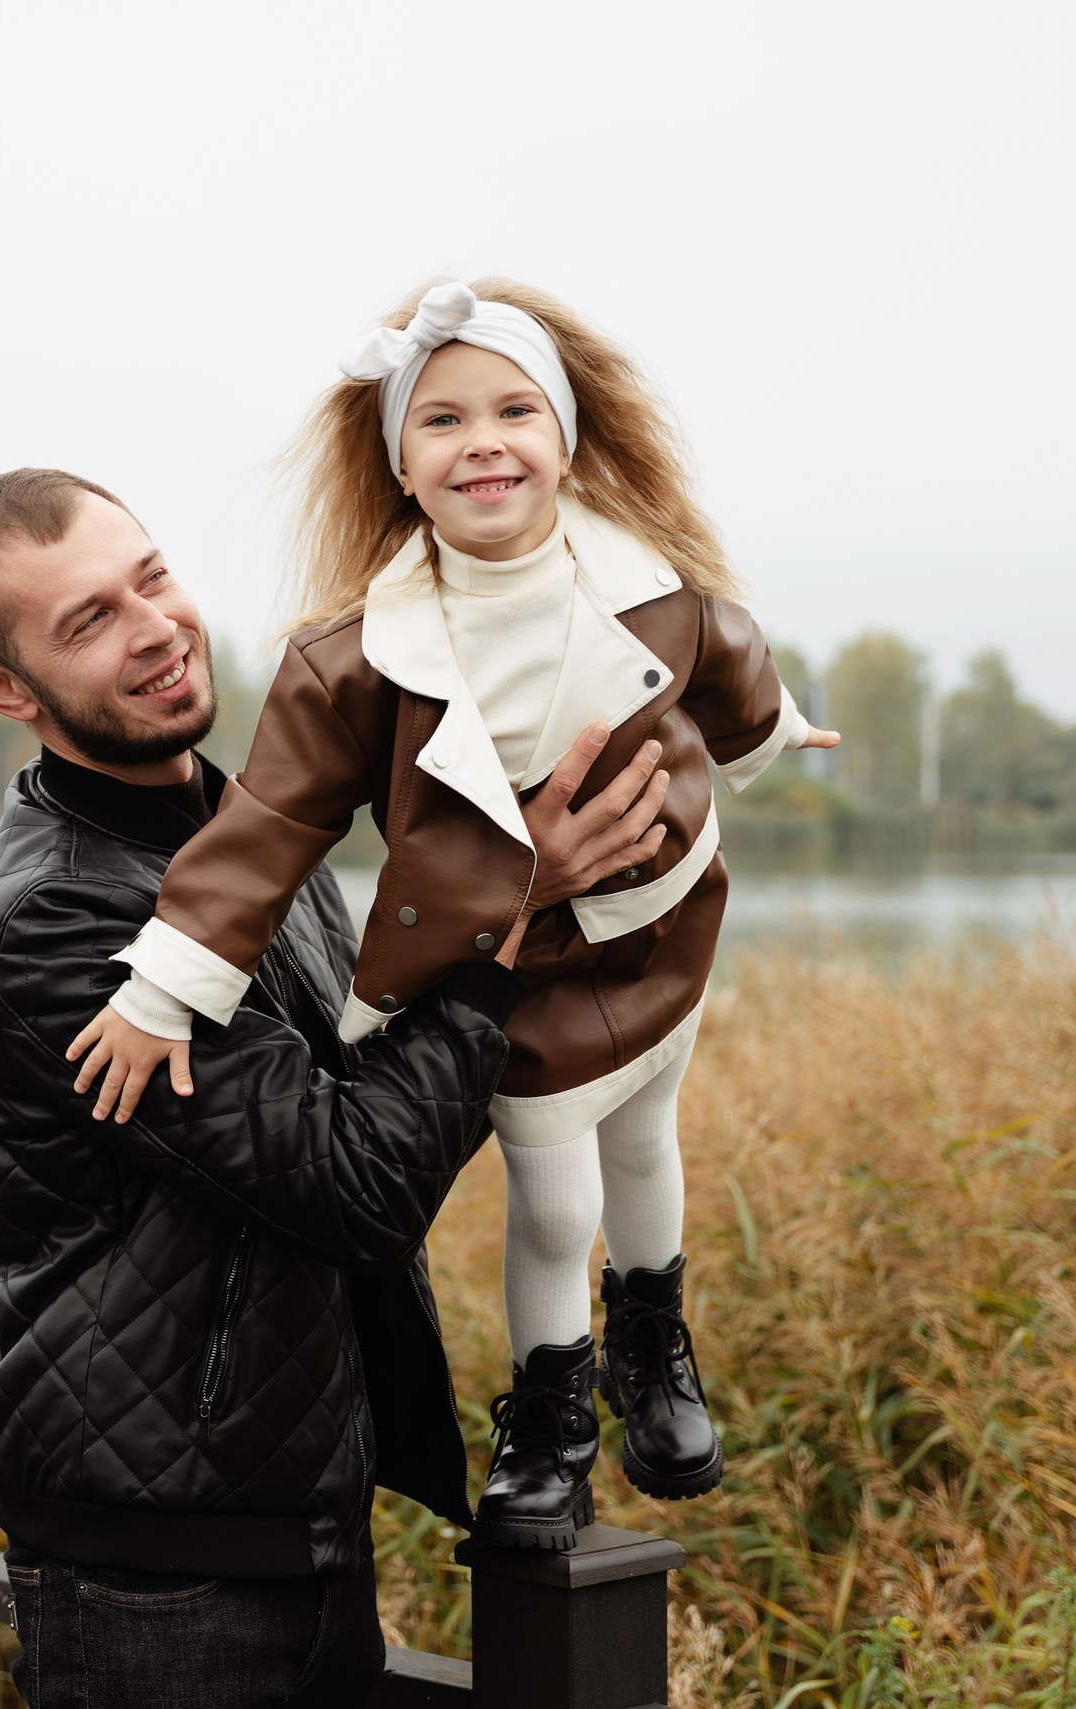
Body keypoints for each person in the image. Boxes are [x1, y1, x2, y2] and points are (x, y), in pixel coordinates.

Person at [69, 281, 841, 1551]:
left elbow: (729, 661)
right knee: (552, 1198)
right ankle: (549, 1416)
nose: (482, 441)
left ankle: (651, 1343)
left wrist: (773, 733)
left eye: (513, 411)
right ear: (401, 469)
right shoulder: (353, 659)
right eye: (439, 421)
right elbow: (264, 830)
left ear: (567, 441)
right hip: (511, 959)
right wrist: (162, 991)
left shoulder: (651, 588)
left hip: (661, 919)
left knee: (646, 1141)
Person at [0, 466, 672, 1708]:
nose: (154, 626)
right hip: (159, 1582)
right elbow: (353, 1181)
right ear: (4, 688)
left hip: (293, 1526)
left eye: (151, 578)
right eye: (89, 619)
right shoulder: (53, 923)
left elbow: (381, 1102)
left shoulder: (247, 838)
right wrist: (503, 919)